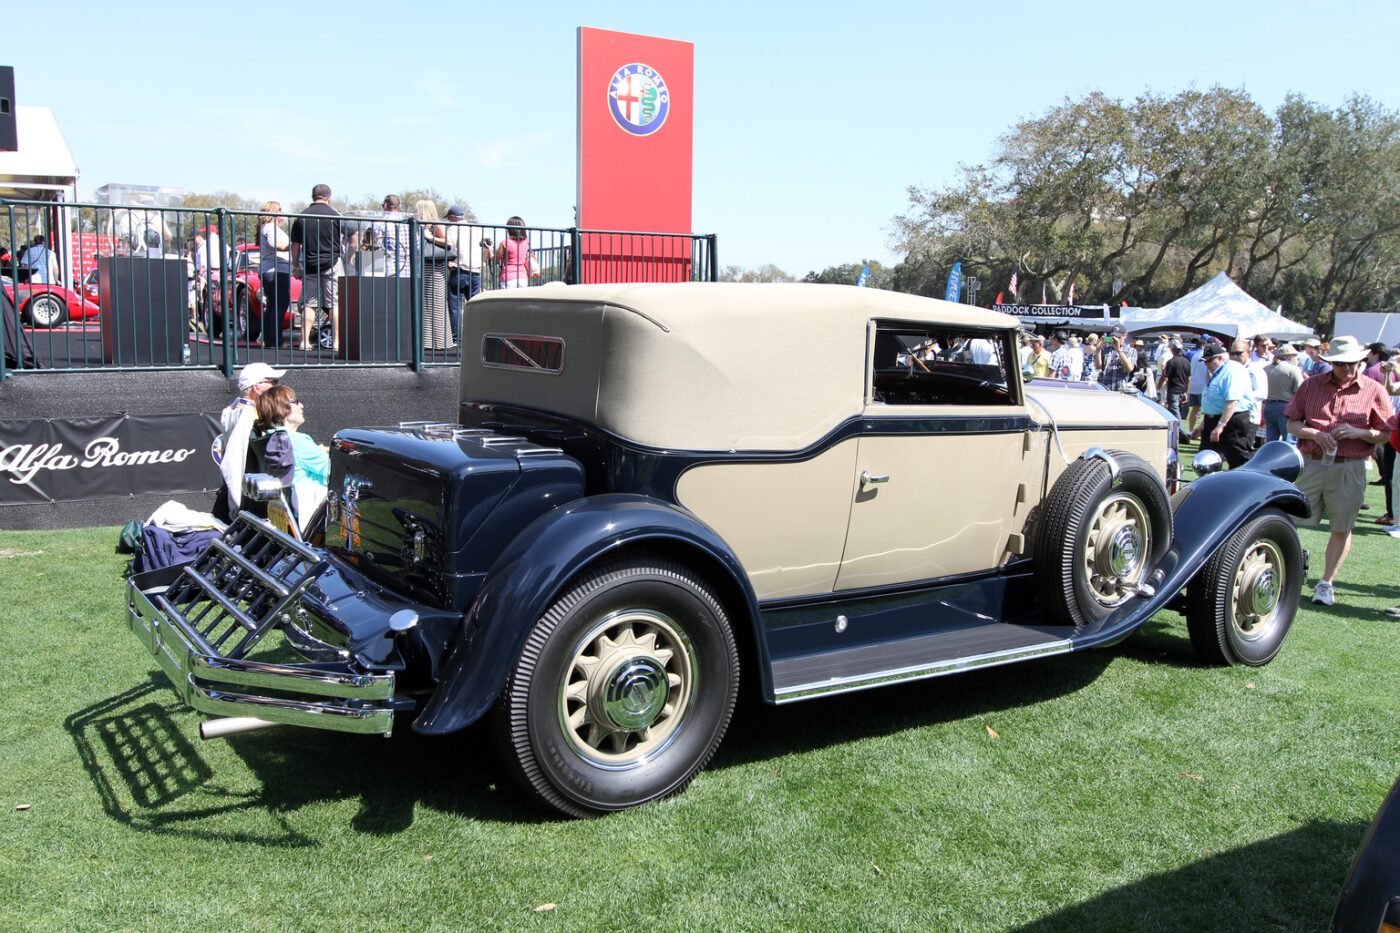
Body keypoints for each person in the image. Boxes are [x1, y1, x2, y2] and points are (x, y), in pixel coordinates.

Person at [1283, 335, 1398, 607]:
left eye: (1353, 363)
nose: (1348, 369)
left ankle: (1326, 584)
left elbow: (1384, 433)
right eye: (1341, 364)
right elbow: (1292, 424)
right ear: (1330, 362)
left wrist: (1358, 432)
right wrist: (1314, 432)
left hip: (1350, 467)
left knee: (1341, 527)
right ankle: (1286, 569)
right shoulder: (1311, 386)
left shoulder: (1373, 389)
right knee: (1289, 519)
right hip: (1311, 462)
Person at [212, 362, 285, 521]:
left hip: (241, 494)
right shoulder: (250, 416)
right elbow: (234, 463)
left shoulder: (236, 411)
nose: (276, 387)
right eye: (273, 382)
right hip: (248, 498)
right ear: (257, 387)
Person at [253, 384, 329, 533]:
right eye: (295, 401)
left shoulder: (272, 438)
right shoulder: (298, 441)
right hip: (315, 516)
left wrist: (319, 450)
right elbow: (332, 471)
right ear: (281, 409)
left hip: (288, 514)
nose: (302, 405)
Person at [290, 184, 343, 351]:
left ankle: (304, 342)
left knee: (310, 303)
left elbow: (295, 245)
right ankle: (337, 342)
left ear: (312, 197)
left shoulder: (302, 216)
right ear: (329, 197)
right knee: (334, 302)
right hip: (332, 263)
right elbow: (349, 237)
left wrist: (295, 265)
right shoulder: (335, 215)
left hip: (310, 264)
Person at [1192, 341, 1256, 468]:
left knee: (1237, 459)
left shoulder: (1231, 371)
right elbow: (1215, 403)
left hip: (1231, 421)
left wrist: (1220, 426)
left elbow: (1232, 402)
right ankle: (1209, 485)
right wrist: (1203, 425)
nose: (1206, 364)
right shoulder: (1218, 372)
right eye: (1205, 361)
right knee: (1206, 459)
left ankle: (1245, 485)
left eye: (1209, 361)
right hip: (1215, 419)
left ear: (1220, 358)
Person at [415, 200, 454, 350]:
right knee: (427, 304)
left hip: (435, 268)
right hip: (426, 268)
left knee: (436, 304)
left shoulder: (435, 224)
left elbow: (448, 242)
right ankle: (428, 341)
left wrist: (429, 237)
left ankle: (440, 342)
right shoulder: (423, 225)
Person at [257, 201, 293, 347]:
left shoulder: (265, 227)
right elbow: (275, 244)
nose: (282, 212)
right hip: (277, 270)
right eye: (279, 209)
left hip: (270, 270)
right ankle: (274, 340)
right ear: (272, 212)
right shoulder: (271, 228)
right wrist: (294, 245)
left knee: (272, 305)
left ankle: (268, 338)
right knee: (280, 305)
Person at [443, 205, 478, 341]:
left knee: (455, 306)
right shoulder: (475, 228)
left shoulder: (453, 228)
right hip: (475, 271)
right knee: (476, 306)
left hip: (459, 269)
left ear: (452, 218)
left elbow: (449, 245)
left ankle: (457, 338)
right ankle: (476, 335)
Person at [1263, 343, 1305, 444]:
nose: (1297, 359)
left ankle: (1271, 459)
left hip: (1268, 406)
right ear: (1288, 356)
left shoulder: (1266, 368)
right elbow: (1300, 391)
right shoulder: (1293, 369)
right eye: (1295, 356)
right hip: (1286, 407)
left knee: (1271, 440)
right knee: (1289, 440)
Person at [373, 194, 409, 276]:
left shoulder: (380, 223)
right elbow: (417, 247)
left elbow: (376, 248)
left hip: (390, 270)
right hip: (409, 270)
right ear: (399, 206)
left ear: (385, 205)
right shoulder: (408, 223)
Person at [1162, 340, 1192, 432]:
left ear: (1172, 350)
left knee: (1175, 411)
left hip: (1173, 390)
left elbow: (1165, 375)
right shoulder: (1187, 362)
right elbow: (1188, 379)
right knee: (1174, 410)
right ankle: (1174, 430)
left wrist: (1163, 369)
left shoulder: (1171, 362)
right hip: (1182, 390)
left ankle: (1181, 431)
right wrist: (1186, 392)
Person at [496, 216, 533, 289]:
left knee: (507, 300)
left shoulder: (505, 243)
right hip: (523, 277)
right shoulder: (526, 243)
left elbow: (495, 260)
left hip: (508, 277)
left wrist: (490, 251)